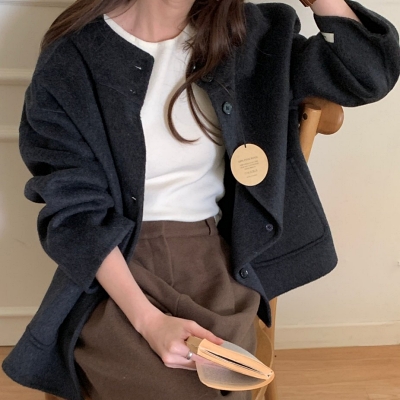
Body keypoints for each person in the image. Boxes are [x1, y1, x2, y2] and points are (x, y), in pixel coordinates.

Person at [2, 0, 400, 399]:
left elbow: (368, 73)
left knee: (215, 382)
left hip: (215, 266)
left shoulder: (252, 36)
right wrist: (149, 321)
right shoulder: (72, 58)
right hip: (116, 272)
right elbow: (75, 213)